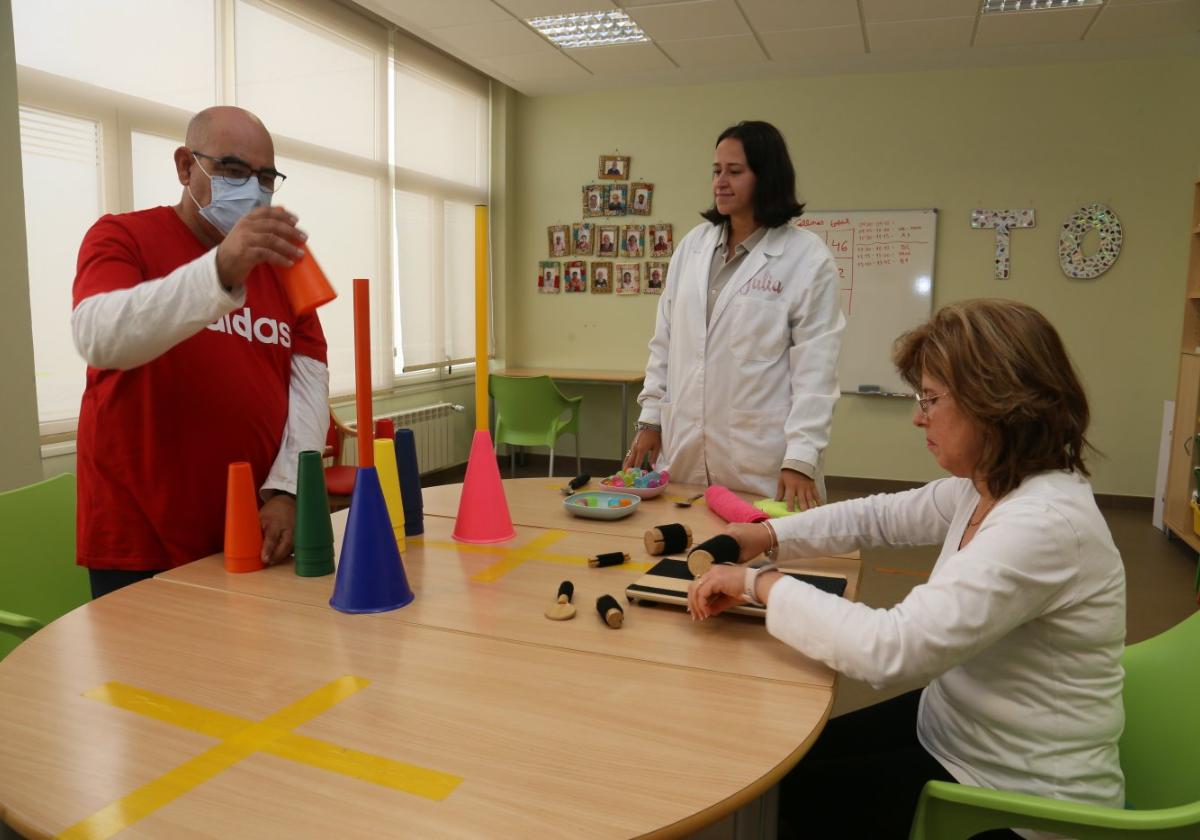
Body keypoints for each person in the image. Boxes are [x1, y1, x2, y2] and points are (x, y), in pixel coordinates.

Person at [688, 299, 1126, 839]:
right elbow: (878, 517)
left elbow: (889, 651)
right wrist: (770, 534)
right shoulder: (988, 485)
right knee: (777, 777)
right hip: (955, 731)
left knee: (791, 803)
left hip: (1019, 799)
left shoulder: (1043, 523)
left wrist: (760, 584)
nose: (918, 416)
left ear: (995, 402)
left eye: (931, 399)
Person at [71, 106, 329, 599]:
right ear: (186, 167)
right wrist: (221, 271)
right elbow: (99, 336)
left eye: (266, 176)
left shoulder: (282, 264)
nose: (253, 188)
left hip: (253, 527)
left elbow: (309, 383)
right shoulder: (123, 236)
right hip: (141, 536)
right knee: (148, 675)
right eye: (233, 170)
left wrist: (289, 489)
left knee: (252, 674)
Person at [626, 121, 843, 510]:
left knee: (762, 561)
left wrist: (800, 458)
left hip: (760, 458)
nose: (720, 182)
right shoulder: (693, 247)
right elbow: (665, 344)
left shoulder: (807, 259)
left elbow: (816, 371)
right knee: (683, 554)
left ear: (768, 177)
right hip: (686, 449)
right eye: (716, 171)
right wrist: (650, 420)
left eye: (735, 172)